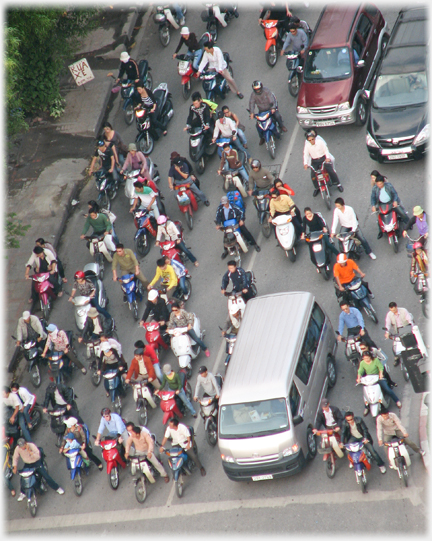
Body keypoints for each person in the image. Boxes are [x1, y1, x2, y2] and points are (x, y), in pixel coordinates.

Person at [303, 130, 343, 196]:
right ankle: (317, 188)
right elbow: (306, 154)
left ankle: (338, 184)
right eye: (309, 140)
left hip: (323, 159)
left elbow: (326, 150)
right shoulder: (307, 145)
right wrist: (305, 163)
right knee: (313, 175)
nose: (311, 141)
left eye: (312, 139)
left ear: (315, 138)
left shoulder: (320, 142)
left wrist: (327, 158)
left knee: (331, 171)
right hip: (315, 161)